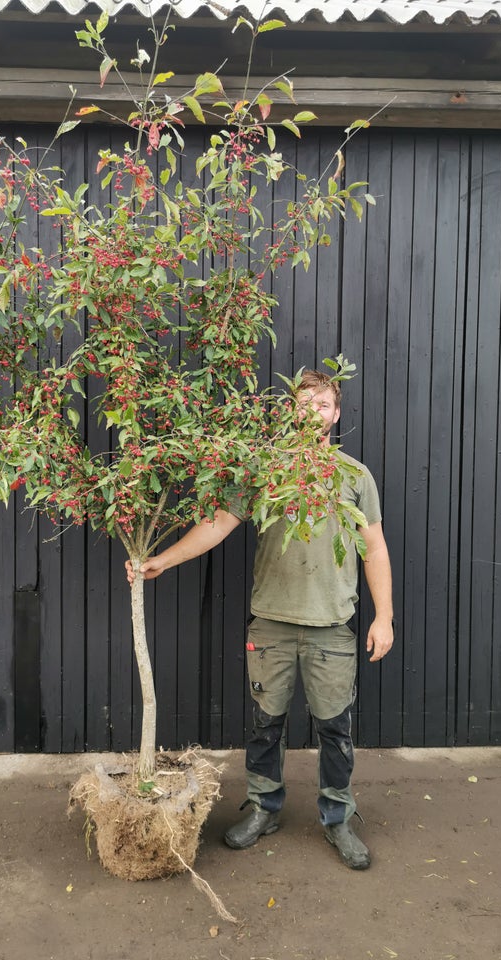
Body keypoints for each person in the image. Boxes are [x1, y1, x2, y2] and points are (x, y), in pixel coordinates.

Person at [126, 370, 393, 869]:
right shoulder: (264, 470)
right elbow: (216, 525)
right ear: (289, 410)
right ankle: (265, 807)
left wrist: (385, 617)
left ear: (336, 414)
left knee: (335, 729)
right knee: (265, 725)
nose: (313, 411)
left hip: (332, 626)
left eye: (323, 404)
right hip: (270, 623)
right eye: (304, 402)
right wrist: (163, 558)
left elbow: (374, 548)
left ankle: (337, 818)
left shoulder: (354, 476)